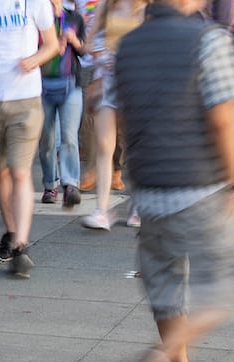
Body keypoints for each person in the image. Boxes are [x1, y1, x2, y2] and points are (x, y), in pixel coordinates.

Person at [110, 0, 234, 362]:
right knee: (227, 290)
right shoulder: (208, 40)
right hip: (199, 186)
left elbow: (121, 116)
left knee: (167, 289)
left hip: (149, 190)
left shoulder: (129, 44)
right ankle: (156, 361)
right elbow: (225, 118)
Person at [0, 0, 60, 276]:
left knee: (19, 171)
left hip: (25, 100)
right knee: (1, 171)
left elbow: (52, 45)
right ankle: (11, 231)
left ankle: (20, 245)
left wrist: (34, 60)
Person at [79, 0, 150, 229]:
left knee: (136, 147)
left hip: (136, 83)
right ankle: (102, 210)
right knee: (104, 146)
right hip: (107, 82)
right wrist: (101, 56)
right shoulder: (106, 6)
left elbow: (155, 43)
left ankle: (138, 206)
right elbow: (88, 43)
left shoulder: (148, 7)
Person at [37, 0, 86, 208]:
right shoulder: (35, 16)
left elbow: (84, 51)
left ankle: (71, 184)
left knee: (69, 136)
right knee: (46, 139)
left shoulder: (74, 17)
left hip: (70, 84)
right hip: (41, 85)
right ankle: (50, 184)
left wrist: (74, 41)